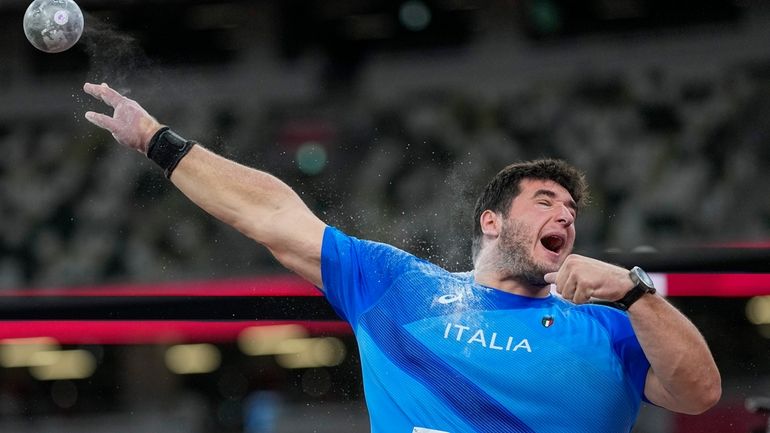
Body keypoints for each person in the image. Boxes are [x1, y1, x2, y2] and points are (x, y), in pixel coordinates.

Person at [82, 82, 721, 433]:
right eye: (546, 202)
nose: (566, 217)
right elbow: (274, 216)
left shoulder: (611, 324)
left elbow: (700, 395)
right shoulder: (401, 288)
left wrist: (638, 295)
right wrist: (157, 143)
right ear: (491, 221)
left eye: (572, 213)